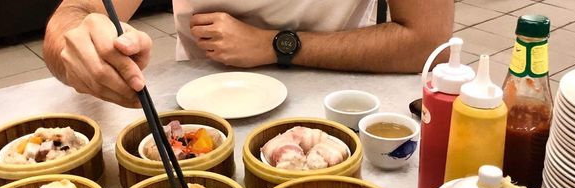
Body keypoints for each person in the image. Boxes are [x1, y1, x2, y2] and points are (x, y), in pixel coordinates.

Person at [44, 0, 453, 108]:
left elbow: (427, 40)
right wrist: (78, 47)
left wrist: (275, 45)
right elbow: (74, 15)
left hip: (338, 103)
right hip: (202, 107)